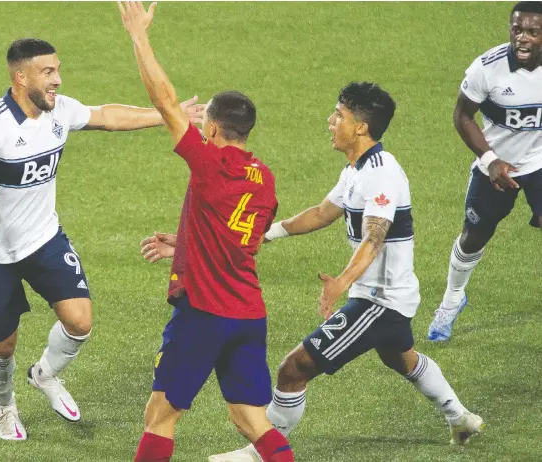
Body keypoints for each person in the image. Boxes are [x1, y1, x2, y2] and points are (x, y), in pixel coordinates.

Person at [209, 82, 484, 462]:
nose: (330, 121)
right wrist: (264, 235)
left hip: (379, 301)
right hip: (387, 296)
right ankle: (461, 418)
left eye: (338, 115)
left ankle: (260, 454)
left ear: (360, 127)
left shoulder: (382, 174)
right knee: (403, 359)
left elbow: (375, 236)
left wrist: (342, 281)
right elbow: (322, 212)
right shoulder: (357, 169)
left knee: (293, 368)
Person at [0, 37, 204, 441]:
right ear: (20, 76)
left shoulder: (59, 111)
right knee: (2, 346)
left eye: (57, 70)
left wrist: (167, 114)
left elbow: (108, 116)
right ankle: (5, 406)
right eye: (48, 72)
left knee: (80, 321)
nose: (58, 80)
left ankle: (44, 375)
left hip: (44, 238)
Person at [118, 2, 295, 461]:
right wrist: (186, 241)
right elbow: (246, 240)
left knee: (161, 416)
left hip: (203, 312)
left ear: (212, 127)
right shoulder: (265, 177)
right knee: (250, 421)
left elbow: (164, 99)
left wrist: (139, 35)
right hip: (249, 314)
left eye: (203, 124)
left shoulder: (209, 163)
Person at [427, 1, 542, 342]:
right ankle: (451, 300)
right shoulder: (487, 68)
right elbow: (462, 116)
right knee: (474, 236)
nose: (523, 38)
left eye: (533, 32)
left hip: (539, 164)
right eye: (517, 30)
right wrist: (491, 160)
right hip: (495, 167)